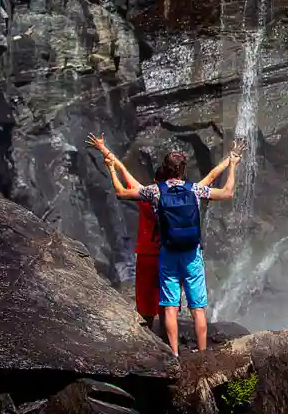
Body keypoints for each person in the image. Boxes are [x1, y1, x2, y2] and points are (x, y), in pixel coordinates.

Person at [86, 134, 243, 357]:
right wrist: (232, 163)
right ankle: (203, 353)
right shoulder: (194, 190)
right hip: (191, 254)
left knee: (169, 306)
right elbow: (223, 189)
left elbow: (122, 191)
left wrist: (109, 163)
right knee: (197, 307)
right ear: (182, 170)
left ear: (164, 169)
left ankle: (174, 354)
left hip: (168, 253)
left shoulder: (154, 192)